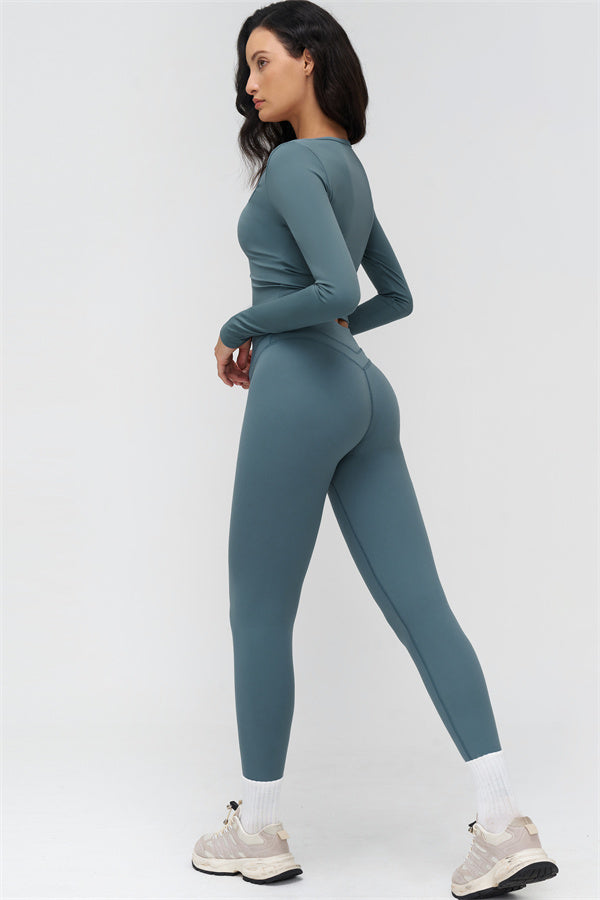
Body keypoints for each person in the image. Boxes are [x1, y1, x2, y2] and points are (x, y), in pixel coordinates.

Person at [191, 2, 559, 895]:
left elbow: (331, 288)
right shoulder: (348, 168)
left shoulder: (290, 168)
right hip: (363, 393)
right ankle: (502, 822)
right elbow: (389, 294)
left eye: (262, 60)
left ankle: (260, 830)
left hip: (297, 394)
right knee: (423, 607)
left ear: (310, 60)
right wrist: (318, 328)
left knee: (258, 611)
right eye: (245, 68)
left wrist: (243, 325)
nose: (249, 82)